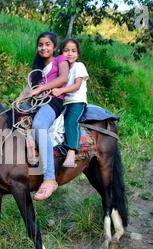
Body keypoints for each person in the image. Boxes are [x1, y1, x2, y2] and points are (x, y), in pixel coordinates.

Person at [20, 31, 68, 201]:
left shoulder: (60, 60)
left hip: (53, 101)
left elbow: (63, 78)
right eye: (40, 44)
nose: (44, 47)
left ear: (54, 47)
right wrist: (18, 100)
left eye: (47, 44)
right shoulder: (37, 68)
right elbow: (29, 89)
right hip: (36, 101)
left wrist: (42, 89)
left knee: (39, 126)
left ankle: (49, 178)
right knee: (10, 118)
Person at [52, 38, 89, 168]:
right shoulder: (62, 68)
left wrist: (60, 90)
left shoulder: (79, 66)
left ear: (78, 54)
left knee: (70, 121)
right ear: (61, 52)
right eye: (66, 50)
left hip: (77, 101)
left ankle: (72, 152)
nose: (70, 53)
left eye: (73, 51)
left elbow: (77, 85)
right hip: (64, 102)